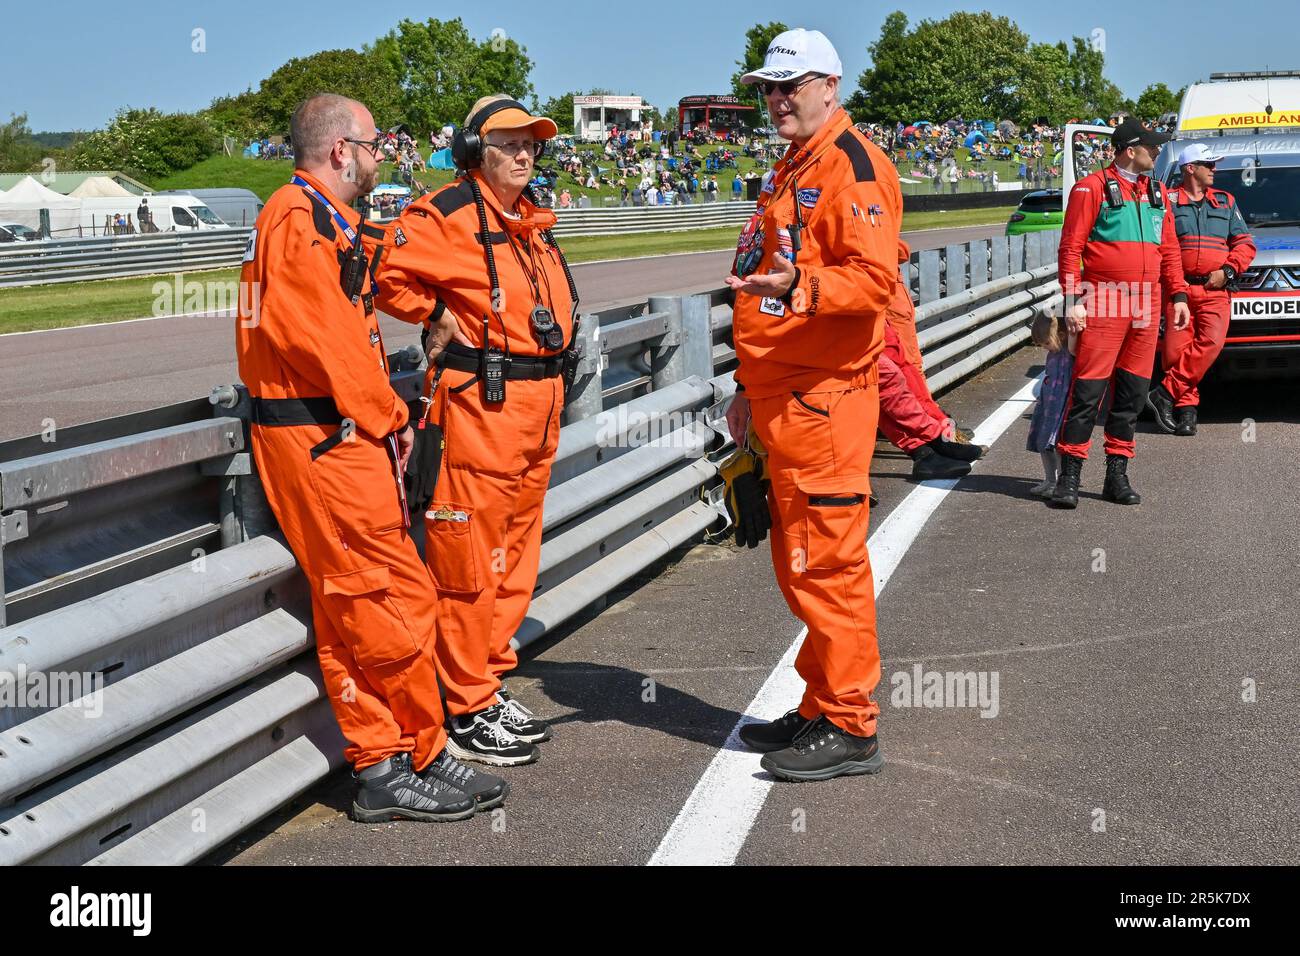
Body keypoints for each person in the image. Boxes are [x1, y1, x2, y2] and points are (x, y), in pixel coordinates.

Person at [236, 94, 506, 822]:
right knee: (387, 600)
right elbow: (325, 345)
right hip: (325, 441)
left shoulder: (325, 219)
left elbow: (376, 277)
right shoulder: (296, 222)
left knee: (355, 604)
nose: (383, 154)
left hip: (340, 439)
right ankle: (409, 754)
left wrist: (431, 311)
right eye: (374, 143)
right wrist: (391, 416)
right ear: (339, 151)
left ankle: (395, 753)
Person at [367, 94, 575, 767]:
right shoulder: (448, 213)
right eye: (508, 142)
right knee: (468, 566)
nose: (523, 153)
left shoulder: (530, 222)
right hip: (479, 410)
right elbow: (385, 273)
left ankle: (487, 678)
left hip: (536, 410)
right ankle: (463, 702)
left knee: (514, 560)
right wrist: (434, 313)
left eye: (531, 144)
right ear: (471, 151)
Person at [724, 28, 901, 782]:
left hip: (826, 400)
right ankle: (820, 700)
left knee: (827, 564)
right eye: (768, 87)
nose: (776, 99)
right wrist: (745, 385)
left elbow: (873, 283)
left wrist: (799, 289)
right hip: (784, 396)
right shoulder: (795, 162)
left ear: (830, 84)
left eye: (790, 86)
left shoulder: (852, 166)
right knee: (800, 565)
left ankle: (852, 722)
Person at [1051, 119, 1191, 508]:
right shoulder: (1090, 188)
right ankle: (1070, 478)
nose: (1159, 152)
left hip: (1146, 306)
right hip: (1103, 301)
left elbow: (1170, 251)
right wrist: (1073, 300)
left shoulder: (1159, 192)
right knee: (1088, 393)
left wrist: (1178, 295)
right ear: (1131, 149)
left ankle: (1117, 475)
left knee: (1131, 396)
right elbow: (1070, 249)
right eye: (1153, 146)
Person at [1147, 143, 1256, 436]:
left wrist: (1228, 270)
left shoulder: (1226, 201)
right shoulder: (1167, 201)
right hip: (1177, 290)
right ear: (1189, 168)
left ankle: (1165, 393)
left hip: (1215, 290)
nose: (1214, 169)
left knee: (1210, 345)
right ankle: (1187, 412)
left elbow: (1245, 244)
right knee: (1174, 353)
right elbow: (1155, 245)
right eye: (1208, 164)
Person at [1025, 310, 1076, 496]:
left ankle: (1059, 482)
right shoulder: (1053, 354)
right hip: (1048, 403)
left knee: (1056, 445)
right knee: (1043, 442)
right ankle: (1049, 479)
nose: (1046, 348)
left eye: (1047, 343)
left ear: (1061, 335)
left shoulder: (1068, 350)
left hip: (1061, 404)